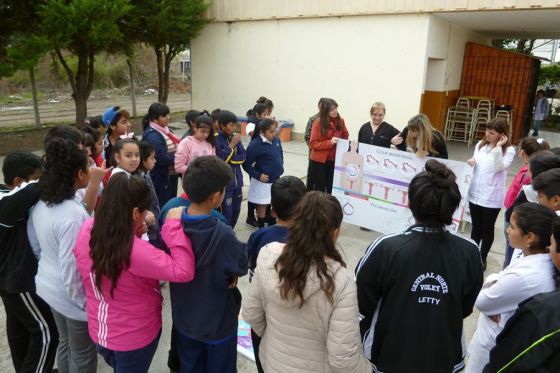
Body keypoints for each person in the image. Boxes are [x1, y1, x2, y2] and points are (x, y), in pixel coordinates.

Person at [355, 159, 483, 372]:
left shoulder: (385, 247)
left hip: (389, 356)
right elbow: (465, 306)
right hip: (444, 356)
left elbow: (362, 303)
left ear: (411, 203)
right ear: (452, 207)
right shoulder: (469, 251)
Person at [73, 173, 195, 372]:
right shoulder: (135, 252)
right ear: (135, 212)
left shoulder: (89, 228)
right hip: (134, 337)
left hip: (100, 329)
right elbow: (183, 271)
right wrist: (173, 226)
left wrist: (135, 229)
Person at [243, 192, 371, 372]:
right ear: (335, 232)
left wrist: (275, 341)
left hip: (272, 364)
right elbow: (342, 358)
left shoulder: (268, 255)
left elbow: (250, 313)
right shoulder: (341, 282)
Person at [170, 156, 247, 373]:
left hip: (185, 321)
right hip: (218, 326)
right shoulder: (223, 233)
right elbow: (241, 264)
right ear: (216, 197)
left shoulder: (172, 224)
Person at [28, 138, 98, 373]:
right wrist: (84, 305)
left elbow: (35, 245)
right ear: (79, 174)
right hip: (70, 295)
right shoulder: (72, 215)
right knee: (83, 354)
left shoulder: (43, 203)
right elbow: (72, 266)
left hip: (49, 286)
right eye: (88, 166)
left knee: (66, 343)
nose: (91, 170)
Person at [466, 202, 557, 372]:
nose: (507, 230)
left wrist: (495, 279)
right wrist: (500, 280)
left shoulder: (525, 276)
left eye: (513, 227)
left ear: (529, 237)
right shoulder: (526, 252)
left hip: (492, 346)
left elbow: (482, 302)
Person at [0, 151, 59, 373]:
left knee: (20, 331)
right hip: (19, 281)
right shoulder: (6, 202)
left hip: (10, 281)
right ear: (18, 181)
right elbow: (34, 189)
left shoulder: (7, 196)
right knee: (46, 333)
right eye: (35, 177)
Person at [245, 175, 306, 373]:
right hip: (299, 323)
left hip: (265, 317)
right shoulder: (312, 240)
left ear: (272, 208)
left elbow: (251, 272)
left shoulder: (260, 236)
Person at [467, 117, 516, 270]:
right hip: (475, 192)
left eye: (492, 133)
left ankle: (482, 257)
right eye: (487, 131)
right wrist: (471, 161)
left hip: (491, 196)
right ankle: (472, 254)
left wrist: (497, 148)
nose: (487, 134)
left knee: (487, 228)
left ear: (502, 135)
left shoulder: (508, 150)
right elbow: (476, 160)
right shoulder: (480, 145)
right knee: (476, 227)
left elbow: (499, 167)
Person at [502, 137, 550, 267]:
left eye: (529, 168)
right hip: (516, 223)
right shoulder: (528, 174)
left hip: (519, 226)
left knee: (511, 256)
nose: (527, 170)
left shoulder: (531, 189)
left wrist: (511, 223)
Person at [243, 118, 284, 228]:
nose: (274, 133)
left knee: (277, 202)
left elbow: (280, 154)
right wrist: (258, 175)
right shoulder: (255, 145)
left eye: (275, 130)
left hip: (276, 178)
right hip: (263, 181)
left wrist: (280, 166)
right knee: (262, 204)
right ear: (262, 132)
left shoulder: (276, 140)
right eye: (271, 131)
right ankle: (261, 226)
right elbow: (246, 164)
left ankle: (271, 221)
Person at [142, 102, 180, 208]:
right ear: (154, 119)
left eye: (168, 114)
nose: (168, 117)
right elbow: (162, 159)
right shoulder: (152, 135)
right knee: (164, 206)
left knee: (171, 204)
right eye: (164, 116)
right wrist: (181, 157)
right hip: (162, 179)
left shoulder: (166, 130)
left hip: (170, 176)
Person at [308, 98, 349, 194]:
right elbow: (313, 144)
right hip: (319, 162)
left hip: (334, 160)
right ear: (325, 111)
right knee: (319, 189)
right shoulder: (318, 122)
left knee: (332, 187)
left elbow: (345, 135)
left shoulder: (341, 121)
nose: (335, 111)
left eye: (336, 108)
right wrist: (329, 142)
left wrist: (342, 142)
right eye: (332, 109)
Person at [214, 110, 246, 228]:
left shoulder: (236, 138)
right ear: (222, 125)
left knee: (236, 211)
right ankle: (223, 234)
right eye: (231, 125)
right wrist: (232, 146)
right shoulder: (216, 139)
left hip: (237, 182)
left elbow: (243, 156)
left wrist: (231, 158)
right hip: (225, 185)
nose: (233, 127)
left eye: (234, 124)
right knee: (227, 213)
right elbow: (221, 160)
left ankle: (230, 233)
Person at [244, 104, 268, 228]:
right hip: (253, 162)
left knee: (264, 192)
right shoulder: (251, 123)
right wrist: (264, 126)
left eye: (267, 114)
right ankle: (250, 215)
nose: (266, 117)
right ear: (258, 114)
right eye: (264, 115)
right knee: (255, 192)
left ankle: (265, 214)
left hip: (262, 162)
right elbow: (253, 132)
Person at [138, 141, 161, 245]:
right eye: (152, 158)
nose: (155, 161)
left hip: (154, 222)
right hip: (148, 225)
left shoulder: (145, 174)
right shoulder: (138, 180)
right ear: (143, 160)